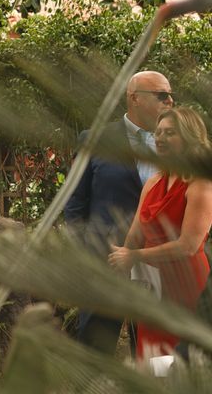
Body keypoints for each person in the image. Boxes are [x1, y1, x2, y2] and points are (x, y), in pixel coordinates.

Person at [64, 70, 174, 354]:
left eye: (171, 95)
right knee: (94, 346)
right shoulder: (95, 139)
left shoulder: (175, 144)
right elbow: (75, 202)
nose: (170, 101)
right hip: (106, 260)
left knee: (155, 349)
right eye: (162, 95)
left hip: (157, 262)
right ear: (135, 98)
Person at [109, 107, 212, 359]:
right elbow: (135, 234)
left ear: (188, 138)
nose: (161, 138)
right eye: (158, 133)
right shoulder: (154, 181)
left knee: (180, 359)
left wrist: (134, 256)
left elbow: (188, 245)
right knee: (151, 356)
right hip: (151, 284)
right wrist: (121, 258)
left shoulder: (201, 182)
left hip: (186, 284)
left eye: (170, 133)